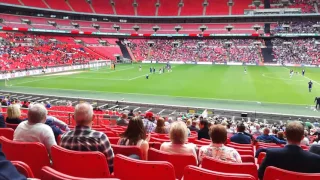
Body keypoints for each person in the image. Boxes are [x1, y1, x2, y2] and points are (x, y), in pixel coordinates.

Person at [60, 103, 114, 173]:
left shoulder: (63, 137)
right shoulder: (100, 137)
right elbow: (111, 165)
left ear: (73, 117)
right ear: (93, 118)